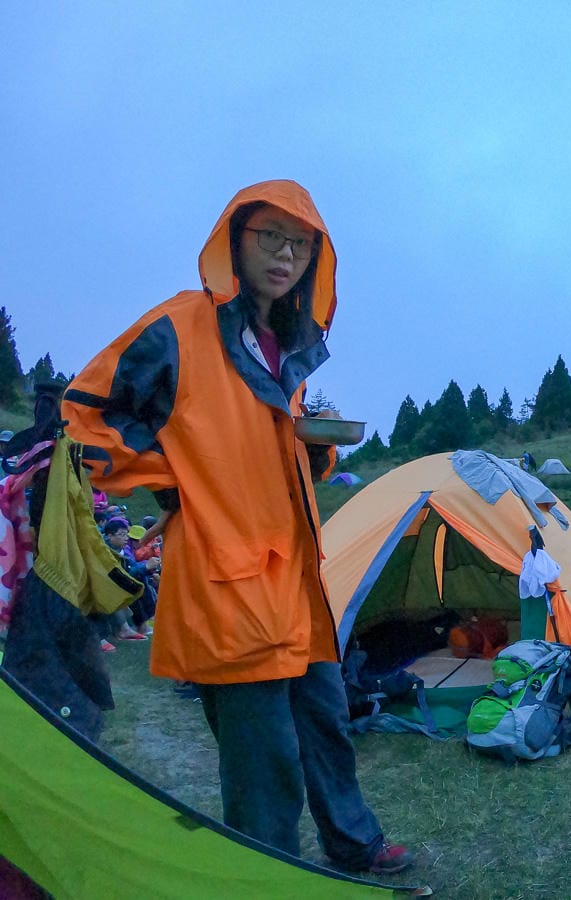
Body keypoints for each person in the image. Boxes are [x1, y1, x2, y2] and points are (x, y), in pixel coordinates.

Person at [61, 180, 414, 874]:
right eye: (271, 238)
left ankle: (355, 846)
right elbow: (84, 417)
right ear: (236, 240)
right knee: (264, 766)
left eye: (301, 245)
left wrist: (316, 452)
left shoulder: (286, 345)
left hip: (296, 583)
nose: (286, 256)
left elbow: (263, 453)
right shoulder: (183, 326)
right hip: (230, 583)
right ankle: (268, 880)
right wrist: (172, 476)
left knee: (325, 727)